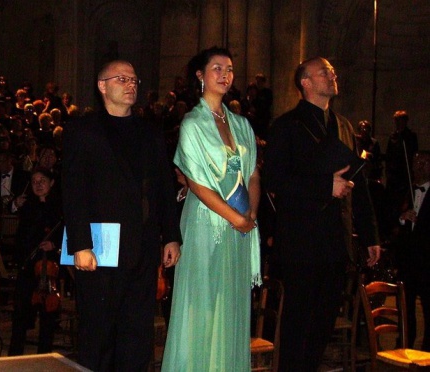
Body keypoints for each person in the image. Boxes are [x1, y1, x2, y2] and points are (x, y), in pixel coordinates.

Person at [61, 60, 181, 371]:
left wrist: (171, 235)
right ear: (102, 86)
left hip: (141, 246)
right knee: (99, 333)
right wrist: (80, 245)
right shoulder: (82, 130)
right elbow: (74, 192)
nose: (131, 85)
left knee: (137, 333)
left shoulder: (150, 132)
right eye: (122, 79)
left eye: (134, 80)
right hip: (99, 249)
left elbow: (163, 189)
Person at [263, 57, 381, 371]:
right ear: (305, 82)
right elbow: (274, 181)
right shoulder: (286, 126)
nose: (332, 75)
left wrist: (370, 236)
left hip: (335, 243)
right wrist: (323, 187)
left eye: (333, 72)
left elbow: (360, 184)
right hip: (301, 243)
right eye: (324, 72)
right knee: (297, 327)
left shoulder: (343, 125)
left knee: (322, 327)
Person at [161, 46, 260, 371]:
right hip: (206, 223)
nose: (225, 74)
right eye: (217, 68)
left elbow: (254, 174)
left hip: (240, 225)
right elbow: (198, 184)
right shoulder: (192, 123)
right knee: (202, 305)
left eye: (229, 69)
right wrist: (236, 218)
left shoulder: (242, 124)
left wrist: (251, 215)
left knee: (231, 306)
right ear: (200, 75)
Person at [9, 168, 63, 355]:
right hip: (29, 264)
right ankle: (14, 356)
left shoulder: (60, 208)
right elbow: (22, 236)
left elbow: (66, 237)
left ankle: (45, 355)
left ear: (52, 183)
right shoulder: (28, 206)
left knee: (48, 315)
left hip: (51, 266)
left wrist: (54, 246)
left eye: (42, 180)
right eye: (34, 181)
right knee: (20, 312)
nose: (38, 184)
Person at [395, 151, 430, 351]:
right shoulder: (406, 189)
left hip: (427, 263)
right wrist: (402, 217)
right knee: (406, 311)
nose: (419, 165)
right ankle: (404, 348)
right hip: (408, 263)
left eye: (425, 162)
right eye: (417, 161)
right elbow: (390, 215)